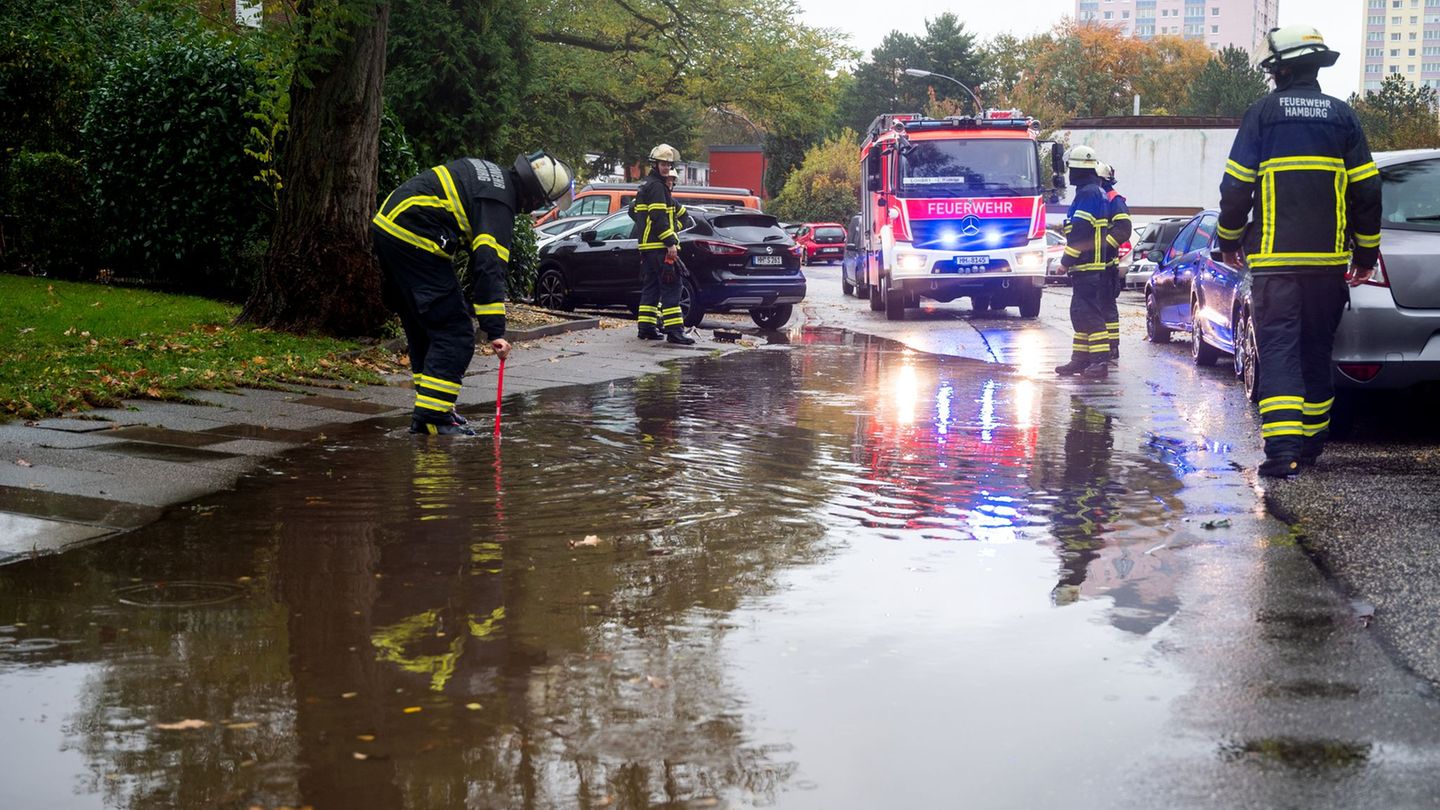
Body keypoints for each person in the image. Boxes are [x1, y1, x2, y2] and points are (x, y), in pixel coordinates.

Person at [1216, 25, 1380, 478]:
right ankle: (1311, 446)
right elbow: (1367, 191)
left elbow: (1236, 188)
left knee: (1280, 352)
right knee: (1314, 353)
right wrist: (1365, 256)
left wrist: (1229, 240)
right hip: (1328, 268)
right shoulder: (1343, 117)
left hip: (1275, 268)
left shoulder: (1262, 115)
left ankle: (1282, 452)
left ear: (1279, 69)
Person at [372, 152, 574, 435]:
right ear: (533, 197)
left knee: (424, 329)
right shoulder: (500, 203)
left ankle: (434, 407)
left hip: (390, 228)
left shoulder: (494, 179)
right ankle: (433, 417)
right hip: (414, 237)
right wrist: (497, 332)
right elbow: (489, 266)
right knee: (455, 333)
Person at [1054, 145, 1112, 379]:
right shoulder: (1094, 191)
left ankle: (1099, 362)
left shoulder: (1087, 194)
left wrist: (1065, 261)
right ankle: (1080, 360)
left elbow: (1079, 231)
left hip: (1088, 267)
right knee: (1080, 312)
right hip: (1090, 267)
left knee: (1089, 314)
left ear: (1076, 169)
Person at [632, 144, 695, 345]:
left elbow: (635, 213)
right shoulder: (658, 187)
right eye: (663, 164)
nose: (666, 168)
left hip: (647, 247)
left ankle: (647, 328)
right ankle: (675, 331)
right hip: (659, 247)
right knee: (672, 286)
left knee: (651, 287)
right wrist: (670, 241)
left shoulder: (647, 186)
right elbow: (659, 218)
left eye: (669, 165)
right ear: (654, 164)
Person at [1096, 162, 1132, 362]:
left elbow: (1123, 229)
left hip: (1106, 265)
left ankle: (1112, 347)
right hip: (1097, 264)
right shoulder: (1099, 198)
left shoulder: (1113, 200)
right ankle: (1104, 348)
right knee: (1099, 306)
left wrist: (1102, 248)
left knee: (1107, 306)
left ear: (1101, 180)